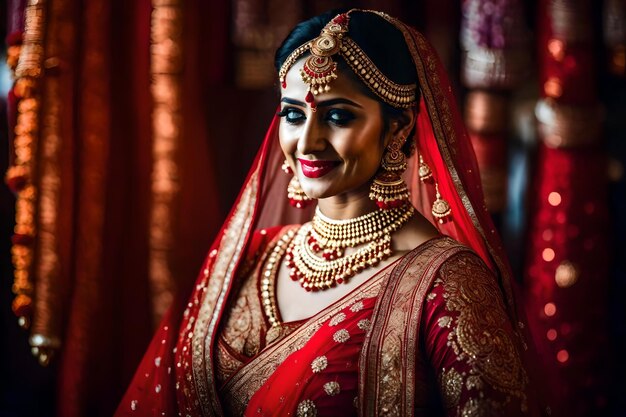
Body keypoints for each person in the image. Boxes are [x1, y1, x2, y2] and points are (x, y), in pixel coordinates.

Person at [115, 9, 542, 416]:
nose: (308, 142)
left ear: (400, 127)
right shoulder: (252, 256)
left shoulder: (447, 284)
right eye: (293, 115)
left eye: (337, 116)